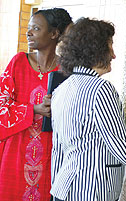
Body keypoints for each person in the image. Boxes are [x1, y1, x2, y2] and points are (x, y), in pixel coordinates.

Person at [50, 17, 126, 201]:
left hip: (64, 189)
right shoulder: (101, 89)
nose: (114, 55)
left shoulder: (62, 89)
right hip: (90, 191)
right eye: (110, 46)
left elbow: (58, 149)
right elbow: (120, 144)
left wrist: (56, 186)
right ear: (95, 49)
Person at [0, 8, 72, 201]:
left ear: (54, 34)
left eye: (36, 28)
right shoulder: (18, 63)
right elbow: (0, 107)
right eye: (29, 28)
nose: (28, 32)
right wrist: (33, 110)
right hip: (15, 153)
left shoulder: (66, 69)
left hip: (51, 154)